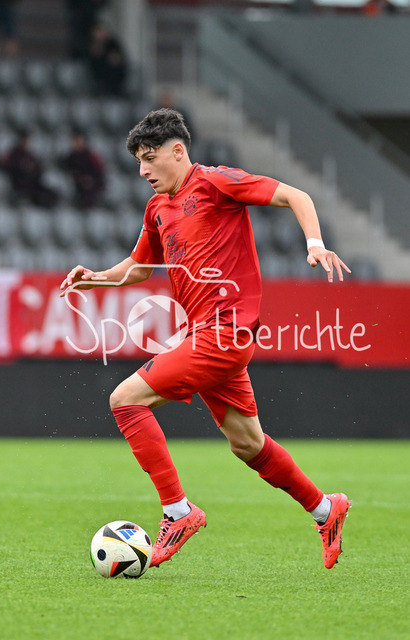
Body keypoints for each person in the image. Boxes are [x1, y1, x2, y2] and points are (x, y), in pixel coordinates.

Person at [60, 108, 352, 570]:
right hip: (203, 334)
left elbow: (295, 195)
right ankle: (324, 509)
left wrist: (314, 243)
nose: (143, 170)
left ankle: (178, 512)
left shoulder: (217, 182)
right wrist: (94, 278)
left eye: (150, 158)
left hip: (226, 332)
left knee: (125, 400)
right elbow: (138, 268)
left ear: (178, 151)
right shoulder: (157, 208)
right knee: (247, 444)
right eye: (138, 161)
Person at [0, 129, 59, 209]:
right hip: (21, 183)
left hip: (34, 183)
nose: (26, 142)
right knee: (38, 195)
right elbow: (5, 165)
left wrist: (33, 168)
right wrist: (22, 167)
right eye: (24, 140)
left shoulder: (29, 155)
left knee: (52, 194)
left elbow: (38, 167)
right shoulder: (14, 153)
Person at [61, 130, 106, 210]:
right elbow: (67, 170)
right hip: (76, 184)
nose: (77, 144)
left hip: (91, 185)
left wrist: (90, 180)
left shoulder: (91, 157)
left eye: (79, 141)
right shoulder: (70, 158)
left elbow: (99, 172)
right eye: (75, 141)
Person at [84, 21, 128, 97]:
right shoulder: (91, 43)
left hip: (113, 72)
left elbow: (119, 56)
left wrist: (115, 58)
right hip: (97, 72)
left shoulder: (112, 43)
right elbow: (93, 56)